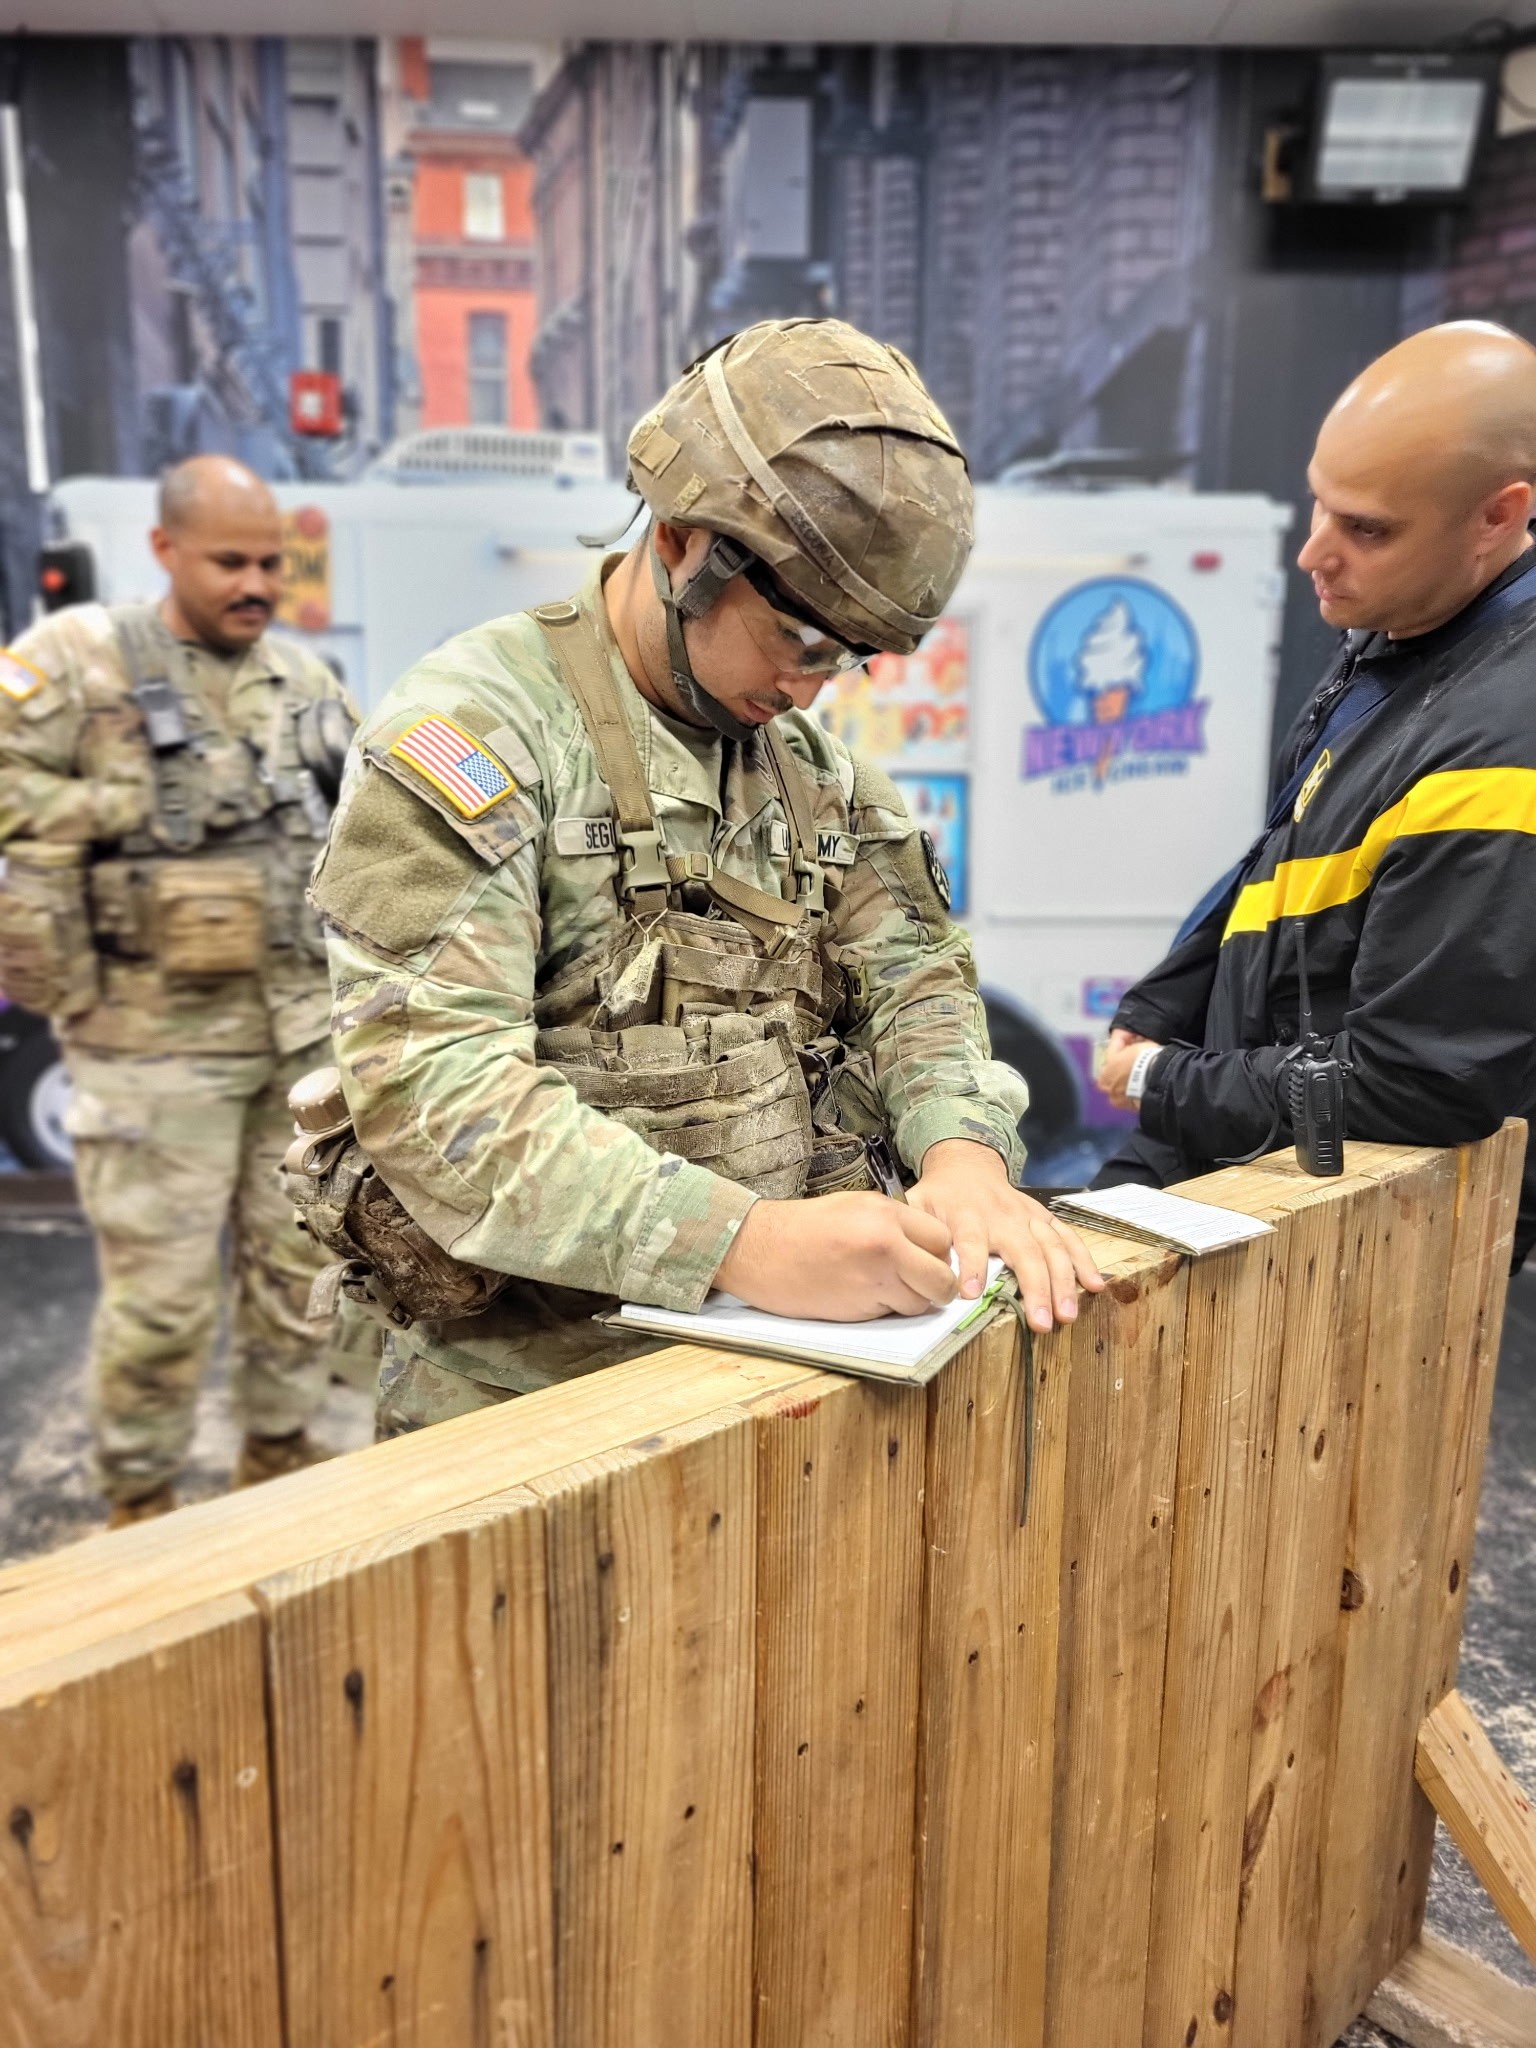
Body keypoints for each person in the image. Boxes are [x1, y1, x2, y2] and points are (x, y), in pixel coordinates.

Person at [308, 318, 1103, 1435]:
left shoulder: (816, 778)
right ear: (685, 540)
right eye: (799, 640)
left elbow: (916, 976)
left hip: (766, 1381)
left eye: (847, 656)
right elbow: (438, 1090)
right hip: (516, 1408)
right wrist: (749, 1244)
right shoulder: (479, 736)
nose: (813, 688)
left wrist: (964, 1157)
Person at [1096, 320, 1536, 1264]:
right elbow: (1286, 852)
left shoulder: (1506, 750)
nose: (1314, 553)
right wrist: (1168, 1003)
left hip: (1343, 1237)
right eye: (1319, 508)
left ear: (1498, 516)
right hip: (1244, 1156)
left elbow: (1415, 1088)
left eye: (1367, 528)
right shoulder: (1407, 634)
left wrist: (1163, 1078)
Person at [0, 455, 376, 1524]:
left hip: (297, 1041)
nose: (255, 582)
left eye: (271, 561)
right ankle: (139, 1506)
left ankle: (273, 1466)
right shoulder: (75, 661)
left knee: (296, 1284)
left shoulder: (303, 682)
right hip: (149, 1047)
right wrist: (122, 793)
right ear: (165, 549)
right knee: (160, 1308)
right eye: (229, 560)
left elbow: (360, 823)